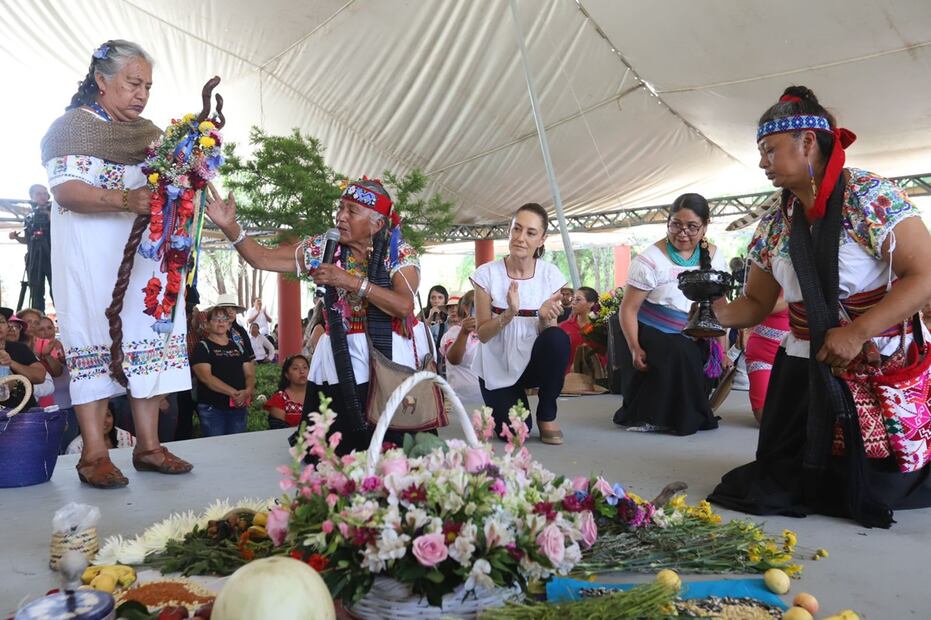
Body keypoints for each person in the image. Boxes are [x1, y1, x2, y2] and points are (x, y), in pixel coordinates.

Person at [708, 86, 931, 527]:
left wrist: (857, 332)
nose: (762, 162)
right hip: (804, 358)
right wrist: (706, 315)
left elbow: (924, 274)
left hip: (874, 354)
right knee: (773, 480)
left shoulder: (870, 196)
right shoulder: (775, 220)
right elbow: (756, 303)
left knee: (869, 484)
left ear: (808, 141)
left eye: (769, 150)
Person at [40, 39, 193, 487]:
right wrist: (125, 198)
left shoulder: (149, 136)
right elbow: (65, 191)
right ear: (102, 81)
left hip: (144, 261)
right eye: (132, 83)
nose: (142, 93)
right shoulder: (71, 128)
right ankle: (93, 454)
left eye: (147, 85)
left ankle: (148, 447)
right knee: (92, 344)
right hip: (90, 262)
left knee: (148, 344)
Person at [206, 177, 432, 455]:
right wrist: (229, 226)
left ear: (377, 224)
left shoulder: (400, 252)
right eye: (340, 208)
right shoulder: (325, 248)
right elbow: (262, 258)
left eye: (351, 211)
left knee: (393, 440)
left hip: (391, 357)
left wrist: (350, 282)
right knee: (341, 443)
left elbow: (404, 306)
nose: (340, 217)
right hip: (341, 355)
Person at [614, 193, 728, 436]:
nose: (682, 232)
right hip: (653, 329)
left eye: (691, 226)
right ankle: (665, 417)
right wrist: (634, 347)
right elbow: (628, 309)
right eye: (676, 224)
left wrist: (723, 347)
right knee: (679, 349)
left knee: (694, 349)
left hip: (697, 329)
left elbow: (721, 306)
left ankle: (692, 413)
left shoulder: (716, 257)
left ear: (705, 227)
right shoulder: (649, 260)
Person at [471, 203, 570, 444]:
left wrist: (545, 318)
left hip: (532, 363)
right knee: (517, 433)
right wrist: (508, 313)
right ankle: (502, 406)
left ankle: (547, 415)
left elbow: (549, 339)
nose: (521, 238)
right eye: (517, 229)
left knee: (558, 338)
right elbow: (482, 334)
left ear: (542, 239)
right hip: (497, 364)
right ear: (509, 230)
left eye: (530, 232)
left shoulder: (550, 275)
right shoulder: (487, 275)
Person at [191, 305, 255, 436]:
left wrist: (248, 391)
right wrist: (234, 393)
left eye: (224, 319)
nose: (221, 322)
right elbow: (206, 378)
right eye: (216, 319)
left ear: (228, 323)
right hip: (213, 408)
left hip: (238, 405)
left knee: (237, 445)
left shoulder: (238, 346)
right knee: (216, 447)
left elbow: (249, 373)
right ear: (208, 324)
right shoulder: (202, 347)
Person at [744, 294, 790, 423]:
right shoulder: (769, 275)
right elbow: (757, 307)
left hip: (798, 358)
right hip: (762, 357)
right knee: (765, 418)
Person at [9, 185, 53, 312]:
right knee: (36, 294)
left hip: (52, 258)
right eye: (39, 194)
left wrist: (50, 216)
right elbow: (28, 240)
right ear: (32, 197)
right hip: (34, 259)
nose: (43, 196)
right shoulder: (29, 217)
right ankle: (38, 323)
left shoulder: (56, 212)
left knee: (57, 292)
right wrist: (16, 237)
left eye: (45, 193)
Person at [440, 291, 483, 405]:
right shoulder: (454, 332)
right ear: (466, 309)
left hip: (489, 399)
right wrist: (464, 332)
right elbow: (454, 359)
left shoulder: (488, 332)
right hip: (462, 402)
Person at [0, 311, 46, 411]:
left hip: (26, 416)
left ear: (7, 326)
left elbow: (40, 376)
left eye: (2, 322)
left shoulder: (20, 348)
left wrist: (10, 362)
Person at [558, 287, 606, 375]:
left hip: (597, 377)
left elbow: (605, 354)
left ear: (591, 303)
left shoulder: (601, 326)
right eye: (573, 299)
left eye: (578, 299)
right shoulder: (564, 327)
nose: (573, 302)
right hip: (570, 378)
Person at [66, 403, 135, 454]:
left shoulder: (126, 437)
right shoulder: (76, 447)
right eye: (98, 416)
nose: (103, 421)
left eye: (108, 415)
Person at [264, 354, 310, 429]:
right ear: (287, 375)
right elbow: (279, 430)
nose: (302, 371)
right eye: (295, 368)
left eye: (305, 367)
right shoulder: (280, 398)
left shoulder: (317, 395)